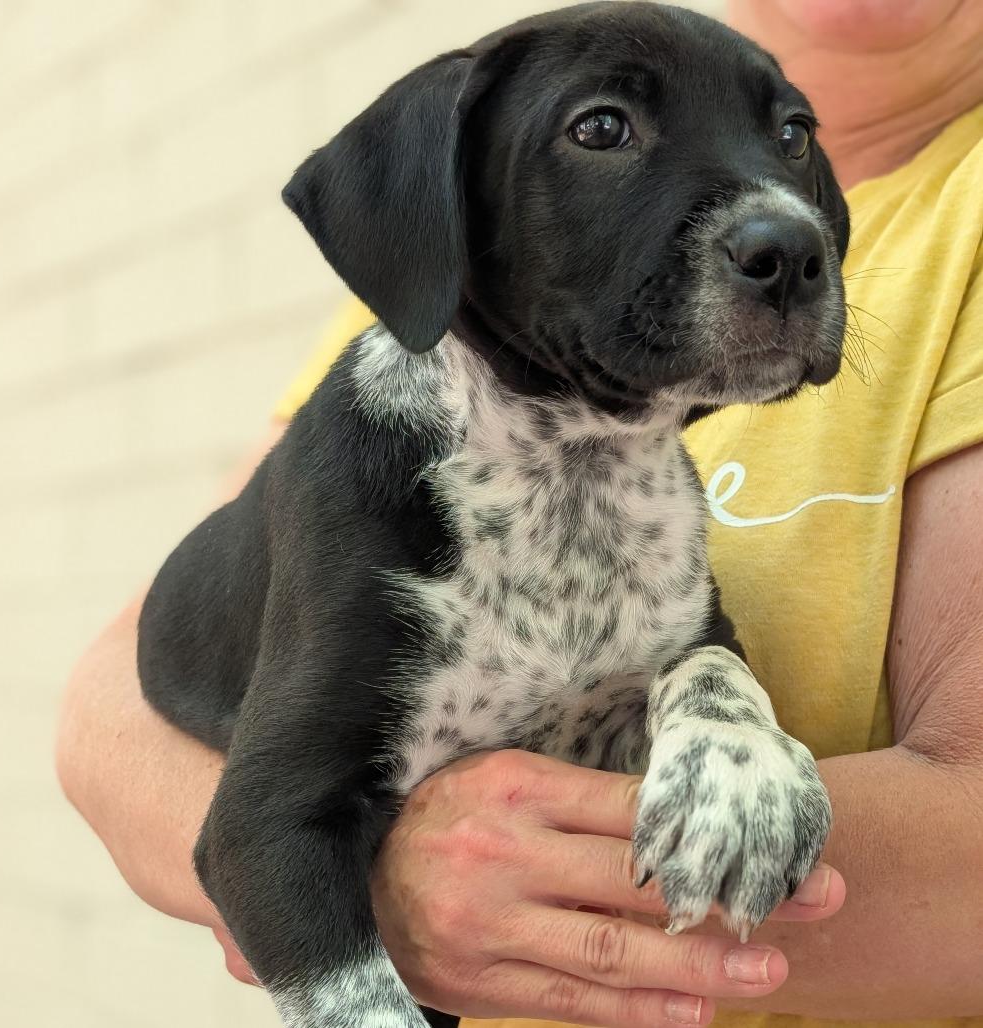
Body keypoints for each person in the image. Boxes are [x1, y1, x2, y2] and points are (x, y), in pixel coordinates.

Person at [56, 0, 983, 1026]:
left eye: (787, 141)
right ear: (433, 225)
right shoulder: (402, 338)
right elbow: (121, 715)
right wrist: (353, 868)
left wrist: (706, 699)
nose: (780, 227)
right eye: (601, 130)